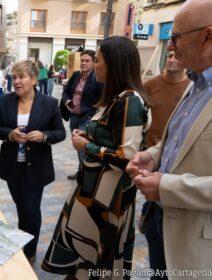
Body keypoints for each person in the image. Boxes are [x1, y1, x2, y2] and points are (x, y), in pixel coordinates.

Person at [42, 36, 151, 279]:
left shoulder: (130, 101)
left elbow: (127, 158)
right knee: (87, 261)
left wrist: (87, 146)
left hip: (108, 202)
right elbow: (109, 138)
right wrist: (89, 135)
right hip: (95, 196)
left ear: (113, 64)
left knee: (99, 262)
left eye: (98, 60)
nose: (93, 66)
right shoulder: (115, 98)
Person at [127, 0, 212, 275]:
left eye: (175, 37)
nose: (171, 46)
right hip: (158, 220)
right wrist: (151, 156)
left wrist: (167, 187)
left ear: (208, 37)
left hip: (194, 242)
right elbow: (181, 140)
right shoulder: (197, 83)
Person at [0, 60, 66, 264]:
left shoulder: (49, 103)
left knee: (30, 211)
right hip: (12, 167)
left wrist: (43, 136)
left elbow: (60, 133)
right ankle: (24, 242)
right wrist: (10, 134)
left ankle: (29, 253)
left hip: (36, 168)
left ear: (34, 80)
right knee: (22, 209)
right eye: (14, 77)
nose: (16, 81)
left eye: (21, 77)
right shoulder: (6, 101)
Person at [137, 50, 190, 278]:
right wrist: (148, 151)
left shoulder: (192, 87)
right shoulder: (151, 85)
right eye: (168, 53)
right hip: (155, 162)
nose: (172, 57)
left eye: (176, 54)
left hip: (180, 176)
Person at [61, 49, 103, 180]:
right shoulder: (76, 75)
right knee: (76, 143)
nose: (84, 63)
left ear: (93, 62)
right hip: (74, 115)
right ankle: (82, 169)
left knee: (82, 145)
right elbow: (66, 92)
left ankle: (85, 173)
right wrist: (67, 100)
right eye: (82, 60)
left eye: (87, 61)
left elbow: (102, 98)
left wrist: (94, 114)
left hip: (88, 117)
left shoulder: (97, 78)